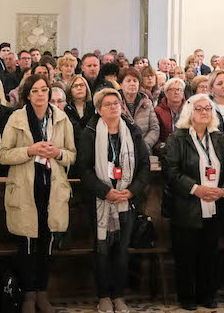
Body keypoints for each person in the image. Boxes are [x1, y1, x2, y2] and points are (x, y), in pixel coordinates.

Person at [0, 75, 76, 313]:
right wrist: (30, 150)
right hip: (26, 187)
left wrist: (58, 153)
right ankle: (28, 295)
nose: (41, 94)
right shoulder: (16, 118)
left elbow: (72, 155)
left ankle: (43, 292)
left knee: (46, 244)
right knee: (28, 244)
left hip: (52, 188)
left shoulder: (61, 118)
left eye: (44, 90)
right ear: (28, 94)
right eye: (36, 91)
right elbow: (4, 155)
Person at [75, 87, 150, 313]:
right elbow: (84, 169)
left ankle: (119, 295)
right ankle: (104, 296)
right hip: (100, 201)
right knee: (103, 250)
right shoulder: (89, 132)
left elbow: (144, 166)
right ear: (99, 109)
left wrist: (131, 191)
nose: (113, 107)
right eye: (107, 104)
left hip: (127, 200)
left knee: (122, 250)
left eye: (116, 103)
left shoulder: (133, 131)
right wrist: (105, 192)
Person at [163, 93, 224, 311]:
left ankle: (207, 294)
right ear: (189, 113)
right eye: (199, 109)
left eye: (208, 109)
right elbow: (171, 171)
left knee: (209, 253)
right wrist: (196, 188)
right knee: (186, 255)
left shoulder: (219, 138)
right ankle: (187, 297)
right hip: (187, 206)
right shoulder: (177, 138)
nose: (204, 112)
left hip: (215, 204)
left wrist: (223, 190)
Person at [119, 67, 160, 151]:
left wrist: (143, 146)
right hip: (121, 150)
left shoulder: (147, 103)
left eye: (135, 81)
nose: (132, 83)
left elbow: (154, 128)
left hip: (143, 150)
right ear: (121, 84)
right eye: (128, 81)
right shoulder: (114, 103)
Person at [155, 77, 185, 150]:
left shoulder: (190, 110)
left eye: (179, 90)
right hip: (165, 148)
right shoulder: (157, 111)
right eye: (173, 90)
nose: (176, 92)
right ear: (166, 93)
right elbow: (156, 135)